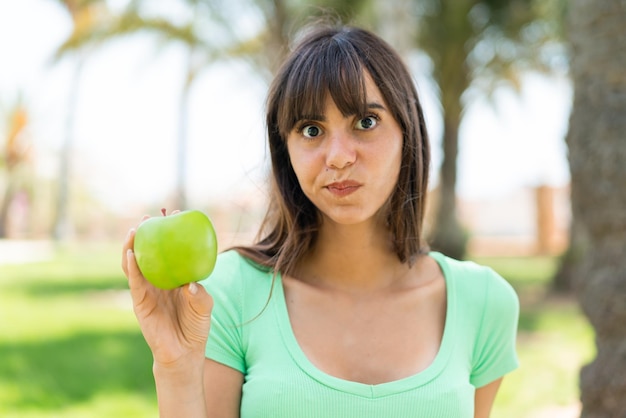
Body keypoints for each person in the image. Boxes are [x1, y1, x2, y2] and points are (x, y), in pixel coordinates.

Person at [122, 22, 519, 418]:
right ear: (286, 151)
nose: (339, 156)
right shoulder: (227, 295)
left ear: (407, 131)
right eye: (311, 130)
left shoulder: (483, 303)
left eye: (365, 122)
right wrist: (175, 368)